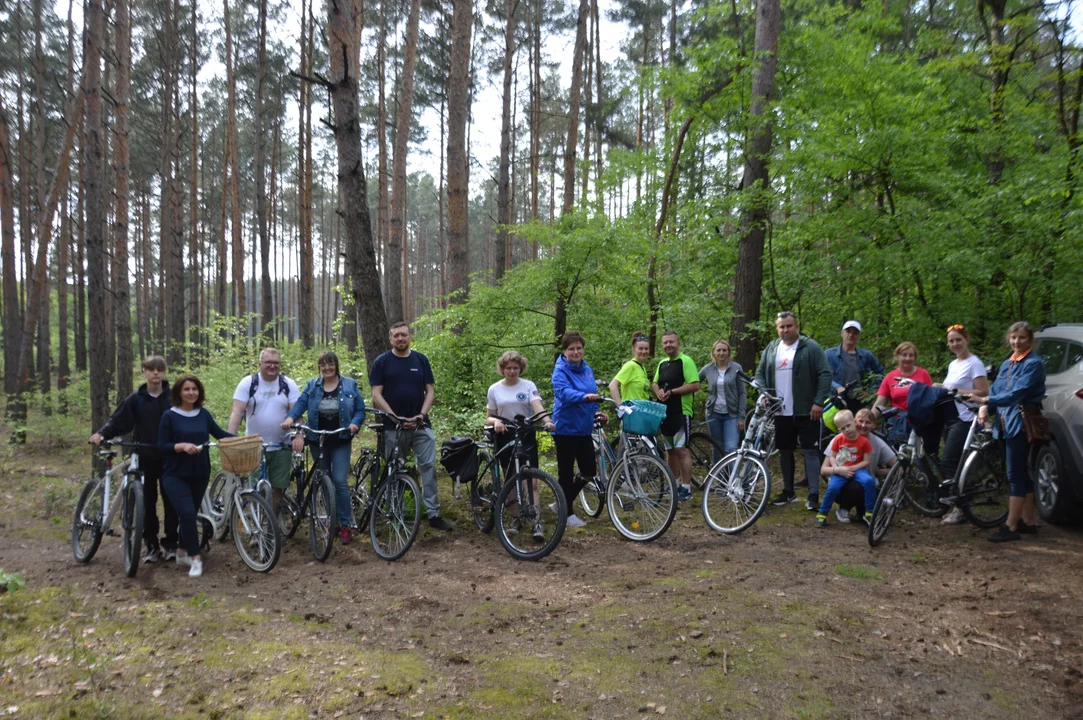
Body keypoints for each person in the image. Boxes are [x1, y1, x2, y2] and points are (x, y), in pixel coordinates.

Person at [91, 355, 178, 564]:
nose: (155, 373)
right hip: (144, 456)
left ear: (164, 372)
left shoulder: (173, 398)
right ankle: (151, 546)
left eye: (159, 369)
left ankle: (172, 544)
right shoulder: (136, 399)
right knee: (146, 502)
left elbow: (188, 419)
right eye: (151, 369)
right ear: (144, 372)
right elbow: (119, 421)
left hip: (169, 457)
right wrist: (102, 434)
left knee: (172, 502)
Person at [369, 322, 452, 531]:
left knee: (429, 468)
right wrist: (394, 417)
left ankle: (433, 513)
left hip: (420, 425)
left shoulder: (421, 360)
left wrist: (421, 415)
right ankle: (396, 512)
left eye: (404, 335)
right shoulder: (382, 362)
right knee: (394, 470)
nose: (400, 339)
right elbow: (376, 393)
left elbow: (430, 391)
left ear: (410, 337)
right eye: (396, 335)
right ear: (390, 339)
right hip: (392, 427)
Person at [972, 321, 1046, 543]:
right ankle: (1028, 522)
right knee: (1022, 472)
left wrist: (985, 400)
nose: (1017, 342)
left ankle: (1011, 526)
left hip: (1021, 423)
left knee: (1015, 474)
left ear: (1029, 340)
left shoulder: (1034, 364)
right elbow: (996, 390)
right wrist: (986, 406)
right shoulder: (1007, 363)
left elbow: (1017, 393)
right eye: (1013, 337)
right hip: (1005, 424)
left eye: (1021, 338)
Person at [282, 351, 365, 544]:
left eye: (330, 364)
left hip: (341, 439)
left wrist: (355, 424)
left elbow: (360, 409)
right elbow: (300, 405)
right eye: (323, 365)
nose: (327, 368)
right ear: (319, 367)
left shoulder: (350, 384)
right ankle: (332, 521)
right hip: (317, 440)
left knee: (339, 481)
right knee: (324, 479)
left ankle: (345, 525)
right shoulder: (313, 385)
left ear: (336, 365)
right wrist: (289, 419)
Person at [158, 374, 233, 578]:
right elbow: (161, 446)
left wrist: (247, 439)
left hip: (200, 473)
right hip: (175, 475)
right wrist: (181, 446)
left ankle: (182, 552)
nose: (191, 393)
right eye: (187, 389)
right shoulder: (170, 416)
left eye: (195, 389)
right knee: (188, 513)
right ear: (179, 393)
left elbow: (220, 434)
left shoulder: (203, 414)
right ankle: (196, 558)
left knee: (188, 515)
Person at [757, 311, 833, 510]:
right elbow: (760, 374)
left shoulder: (810, 347)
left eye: (789, 326)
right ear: (777, 329)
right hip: (780, 411)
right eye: (781, 327)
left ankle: (813, 495)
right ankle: (788, 492)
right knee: (785, 451)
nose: (785, 330)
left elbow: (825, 374)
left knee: (810, 451)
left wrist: (818, 402)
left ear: (796, 327)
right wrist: (765, 394)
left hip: (807, 410)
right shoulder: (772, 348)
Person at [485, 351, 555, 539]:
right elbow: (489, 416)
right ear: (502, 369)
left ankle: (537, 522)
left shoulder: (528, 385)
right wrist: (496, 422)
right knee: (511, 480)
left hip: (525, 433)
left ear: (521, 368)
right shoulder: (494, 389)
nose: (512, 371)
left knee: (531, 481)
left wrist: (546, 421)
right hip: (504, 434)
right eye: (508, 368)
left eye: (516, 368)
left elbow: (537, 405)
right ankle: (516, 518)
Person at [227, 348, 300, 519]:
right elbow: (237, 411)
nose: (272, 366)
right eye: (268, 362)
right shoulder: (248, 383)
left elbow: (296, 413)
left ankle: (270, 524)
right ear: (260, 364)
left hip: (282, 444)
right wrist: (230, 438)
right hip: (255, 445)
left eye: (276, 363)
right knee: (255, 486)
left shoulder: (288, 384)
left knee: (279, 486)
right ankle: (256, 521)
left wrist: (298, 435)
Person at [936, 325, 989, 525]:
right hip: (952, 416)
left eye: (958, 339)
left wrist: (954, 389)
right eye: (951, 341)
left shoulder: (974, 363)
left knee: (950, 461)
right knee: (953, 463)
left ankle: (960, 507)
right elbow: (951, 389)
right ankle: (959, 504)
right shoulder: (953, 364)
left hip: (967, 417)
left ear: (967, 339)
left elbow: (983, 391)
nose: (955, 344)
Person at [551, 331, 603, 528]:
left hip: (584, 427)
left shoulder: (587, 369)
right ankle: (567, 513)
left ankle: (561, 503)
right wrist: (584, 397)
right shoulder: (560, 371)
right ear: (564, 351)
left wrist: (597, 411)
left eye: (578, 348)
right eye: (571, 349)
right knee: (565, 472)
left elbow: (593, 393)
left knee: (589, 470)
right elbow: (563, 393)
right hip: (565, 427)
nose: (575, 352)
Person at [651, 331, 701, 502]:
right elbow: (654, 382)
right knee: (670, 451)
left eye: (671, 342)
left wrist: (672, 392)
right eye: (665, 343)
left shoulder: (685, 361)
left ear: (678, 342)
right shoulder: (662, 363)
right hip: (665, 414)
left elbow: (695, 385)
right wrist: (657, 391)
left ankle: (686, 489)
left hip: (681, 412)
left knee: (682, 450)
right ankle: (674, 484)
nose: (668, 345)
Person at [830, 408, 896, 523]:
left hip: (867, 485)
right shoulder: (840, 439)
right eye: (860, 421)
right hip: (843, 483)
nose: (863, 425)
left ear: (874, 425)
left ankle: (863, 513)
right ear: (854, 421)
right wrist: (838, 469)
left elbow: (898, 467)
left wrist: (880, 472)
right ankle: (844, 508)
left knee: (881, 518)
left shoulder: (877, 442)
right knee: (856, 485)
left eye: (868, 422)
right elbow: (824, 468)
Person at [814, 409, 876, 528]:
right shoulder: (838, 439)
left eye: (848, 425)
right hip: (840, 469)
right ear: (839, 430)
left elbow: (866, 461)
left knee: (868, 481)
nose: (847, 430)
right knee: (833, 488)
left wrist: (853, 468)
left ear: (854, 422)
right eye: (843, 428)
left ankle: (869, 512)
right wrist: (837, 468)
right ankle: (822, 514)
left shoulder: (864, 442)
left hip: (858, 468)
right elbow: (832, 456)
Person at [873, 342, 934, 447]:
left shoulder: (923, 374)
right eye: (904, 355)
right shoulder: (890, 377)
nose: (907, 358)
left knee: (921, 455)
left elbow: (932, 398)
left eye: (911, 355)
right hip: (897, 421)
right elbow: (880, 402)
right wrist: (868, 420)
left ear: (915, 358)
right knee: (898, 455)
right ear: (897, 356)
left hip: (919, 420)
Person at [698, 339, 746, 464]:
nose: (721, 353)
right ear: (713, 353)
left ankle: (733, 480)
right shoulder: (708, 369)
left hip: (732, 415)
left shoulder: (736, 368)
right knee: (717, 447)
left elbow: (742, 393)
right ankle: (719, 479)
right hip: (713, 414)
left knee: (731, 448)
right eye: (718, 350)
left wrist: (742, 417)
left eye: (724, 350)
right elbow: (693, 382)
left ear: (729, 352)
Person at [824, 321, 885, 413]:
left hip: (859, 403)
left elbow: (880, 374)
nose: (851, 335)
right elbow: (822, 376)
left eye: (855, 333)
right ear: (842, 333)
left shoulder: (866, 356)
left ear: (858, 336)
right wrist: (837, 387)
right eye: (848, 331)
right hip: (836, 401)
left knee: (859, 426)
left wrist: (870, 392)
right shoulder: (829, 355)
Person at [609, 332, 653, 405]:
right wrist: (620, 406)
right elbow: (612, 385)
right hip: (631, 413)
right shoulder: (630, 366)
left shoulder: (642, 368)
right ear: (633, 350)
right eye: (640, 349)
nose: (644, 351)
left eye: (646, 349)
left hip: (641, 412)